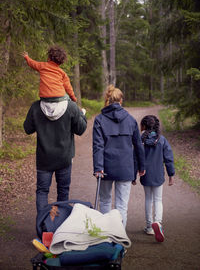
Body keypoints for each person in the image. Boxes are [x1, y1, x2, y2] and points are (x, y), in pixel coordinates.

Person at [23, 96, 87, 227]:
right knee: (63, 191)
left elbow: (27, 129)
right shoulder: (70, 107)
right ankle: (60, 225)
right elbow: (80, 129)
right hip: (64, 158)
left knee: (42, 191)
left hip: (44, 158)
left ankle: (42, 226)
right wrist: (82, 114)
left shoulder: (36, 107)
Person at [92, 85, 145, 228]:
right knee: (122, 206)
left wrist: (98, 168)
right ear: (121, 100)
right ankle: (120, 240)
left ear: (108, 100)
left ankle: (104, 237)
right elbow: (138, 145)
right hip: (125, 168)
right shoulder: (131, 120)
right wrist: (142, 166)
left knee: (105, 201)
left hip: (105, 168)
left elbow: (98, 146)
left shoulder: (99, 120)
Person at [139, 115, 175, 242]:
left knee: (148, 199)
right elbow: (168, 158)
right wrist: (171, 175)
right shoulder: (162, 140)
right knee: (158, 200)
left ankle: (149, 226)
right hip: (158, 174)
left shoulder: (140, 140)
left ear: (143, 126)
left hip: (145, 174)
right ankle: (158, 222)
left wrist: (133, 175)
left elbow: (135, 157)